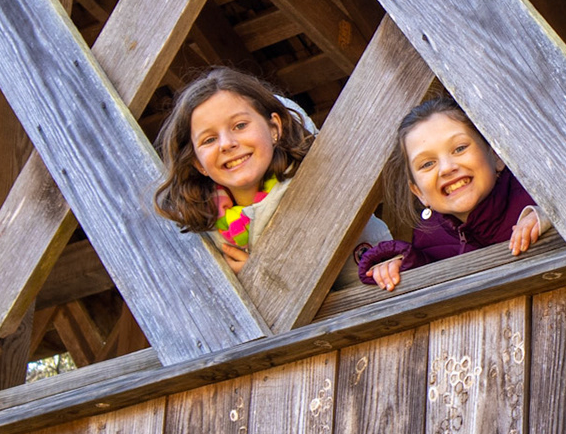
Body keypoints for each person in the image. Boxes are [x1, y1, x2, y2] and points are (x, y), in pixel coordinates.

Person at [153, 68, 389, 285]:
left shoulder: (323, 183)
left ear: (274, 128)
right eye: (209, 140)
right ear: (198, 163)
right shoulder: (205, 237)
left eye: (240, 125)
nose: (226, 144)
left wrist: (264, 284)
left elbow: (374, 278)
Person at [358, 96, 550, 292]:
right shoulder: (428, 239)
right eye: (427, 164)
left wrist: (549, 217)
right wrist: (401, 268)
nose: (447, 168)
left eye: (459, 148)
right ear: (419, 193)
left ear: (496, 155)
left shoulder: (536, 192)